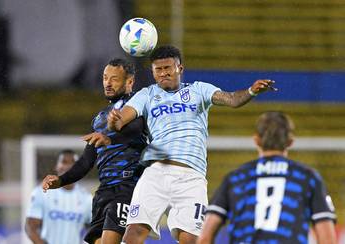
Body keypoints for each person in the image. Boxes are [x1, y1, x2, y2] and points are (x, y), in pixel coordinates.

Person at [107, 45, 276, 244]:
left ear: (180, 68)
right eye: (158, 70)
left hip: (191, 177)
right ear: (153, 72)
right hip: (156, 173)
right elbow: (119, 122)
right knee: (134, 233)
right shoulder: (147, 95)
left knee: (191, 239)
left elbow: (231, 100)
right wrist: (113, 120)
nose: (163, 73)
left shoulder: (199, 89)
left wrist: (251, 91)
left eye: (168, 68)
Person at [41, 58, 147, 244]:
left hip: (129, 186)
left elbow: (135, 130)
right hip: (104, 191)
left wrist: (110, 137)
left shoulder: (138, 107)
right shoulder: (100, 118)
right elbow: (86, 161)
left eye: (114, 79)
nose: (107, 83)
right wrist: (61, 180)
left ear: (129, 82)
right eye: (105, 78)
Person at [198, 111, 337, 244]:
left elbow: (205, 237)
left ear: (256, 140)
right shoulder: (307, 178)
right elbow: (327, 239)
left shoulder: (236, 178)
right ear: (290, 141)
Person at [25, 149, 92, 244]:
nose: (69, 166)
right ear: (56, 167)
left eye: (73, 163)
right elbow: (31, 227)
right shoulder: (42, 192)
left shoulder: (86, 197)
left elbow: (93, 229)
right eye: (64, 162)